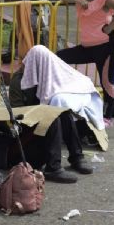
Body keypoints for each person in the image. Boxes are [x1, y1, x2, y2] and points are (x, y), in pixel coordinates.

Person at [9, 45, 100, 182]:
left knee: (64, 113)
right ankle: (53, 168)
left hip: (44, 122)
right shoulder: (18, 81)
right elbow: (18, 113)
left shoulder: (47, 76)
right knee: (53, 118)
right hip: (28, 126)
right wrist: (42, 113)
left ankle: (77, 157)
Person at [57, 0, 114, 110]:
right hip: (86, 47)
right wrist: (78, 0)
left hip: (105, 47)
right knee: (58, 58)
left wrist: (110, 28)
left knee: (106, 82)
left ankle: (108, 116)